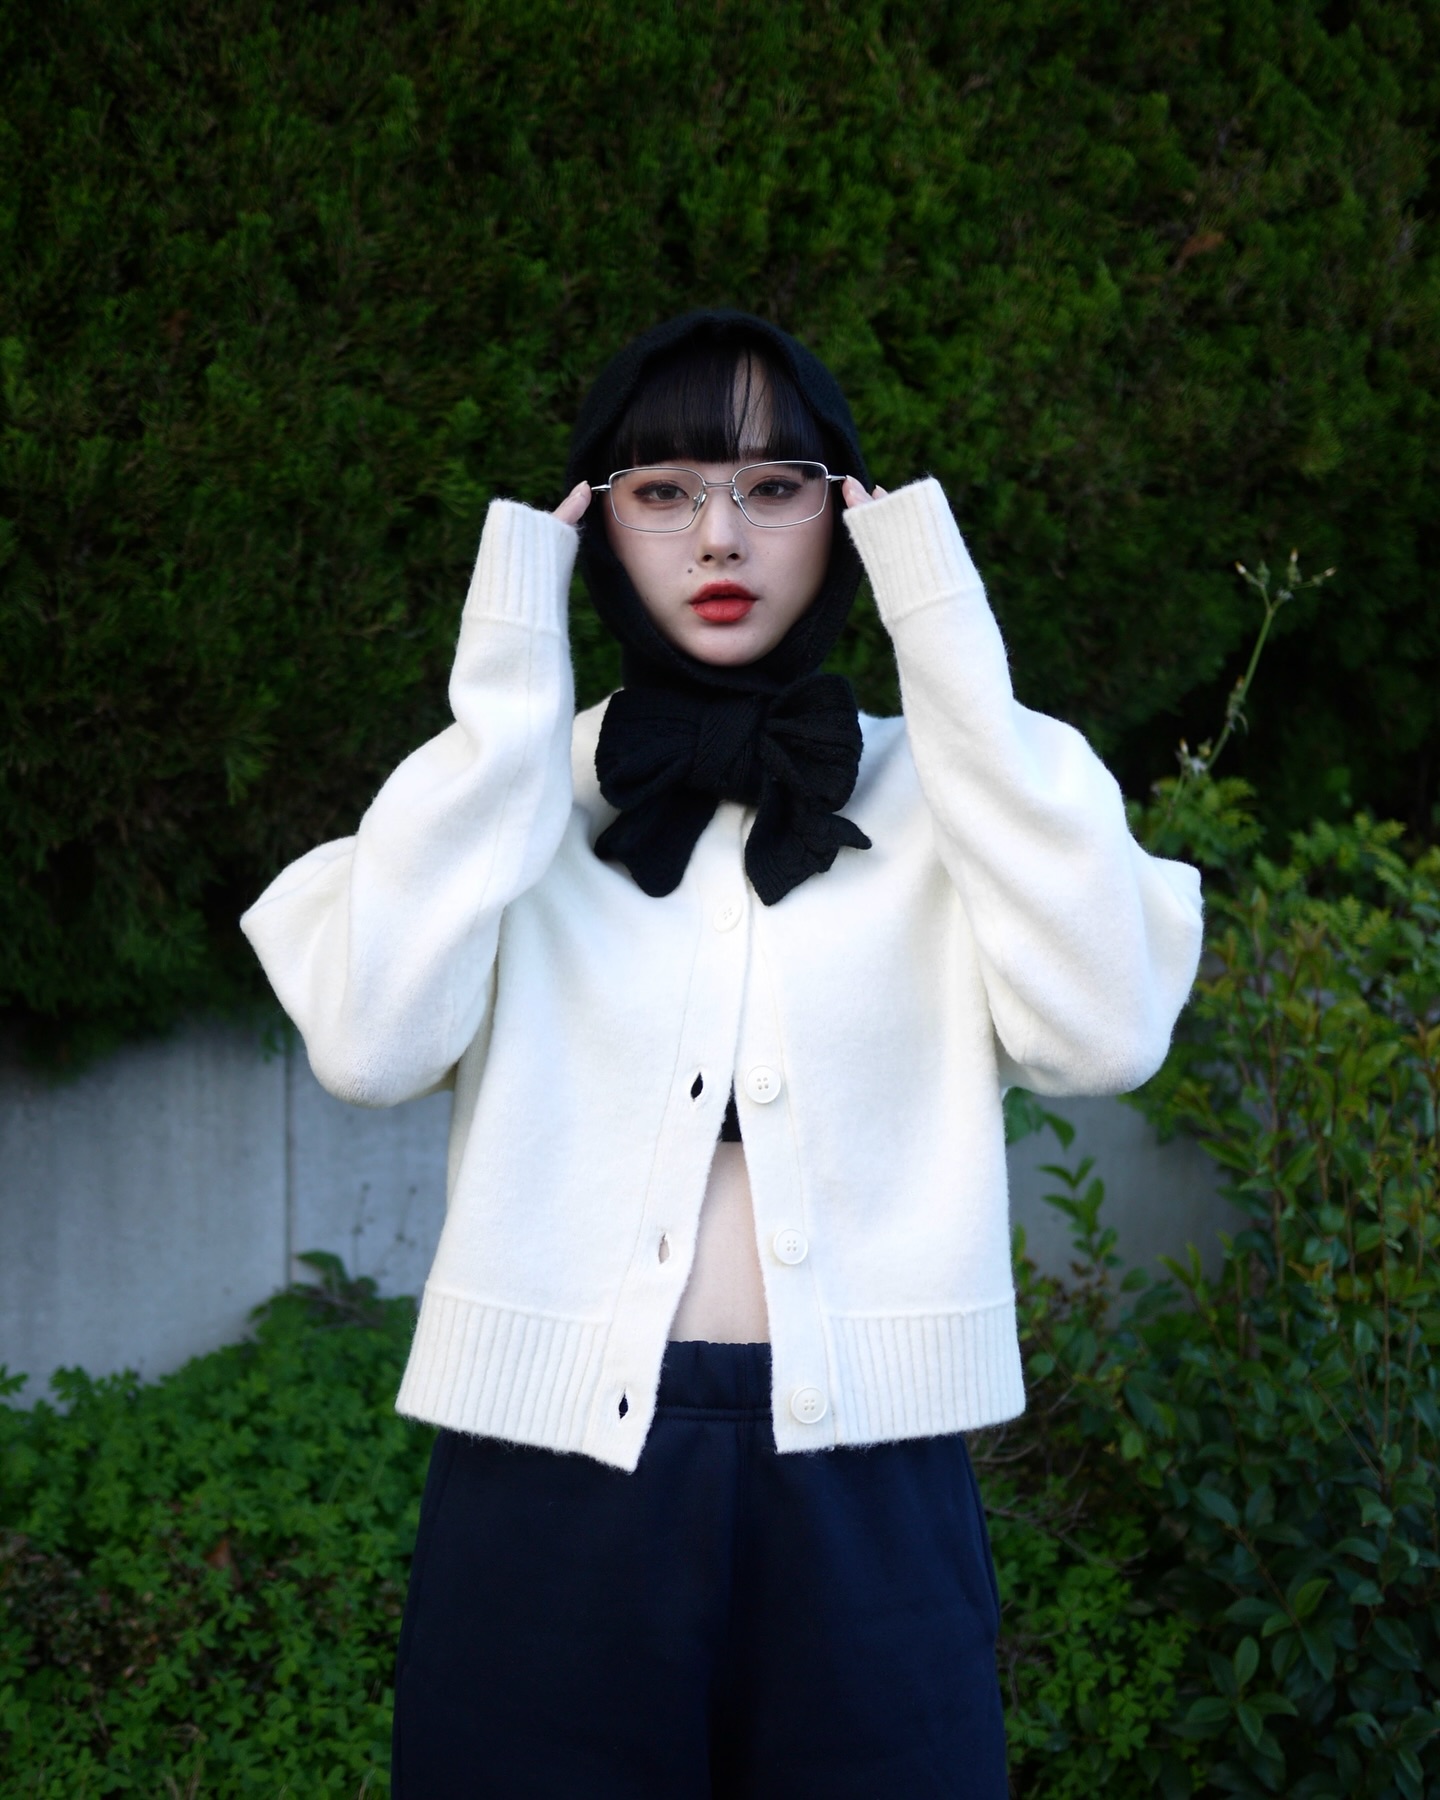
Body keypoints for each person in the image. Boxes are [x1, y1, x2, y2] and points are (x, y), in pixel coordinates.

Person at [241, 310, 1203, 1797]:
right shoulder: (511, 801)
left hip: (872, 1475)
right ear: (592, 525)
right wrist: (512, 667)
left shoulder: (964, 797)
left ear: (850, 514)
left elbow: (1104, 1035)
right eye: (663, 490)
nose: (719, 538)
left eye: (775, 486)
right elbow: (371, 1046)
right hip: (548, 1478)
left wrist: (941, 625)